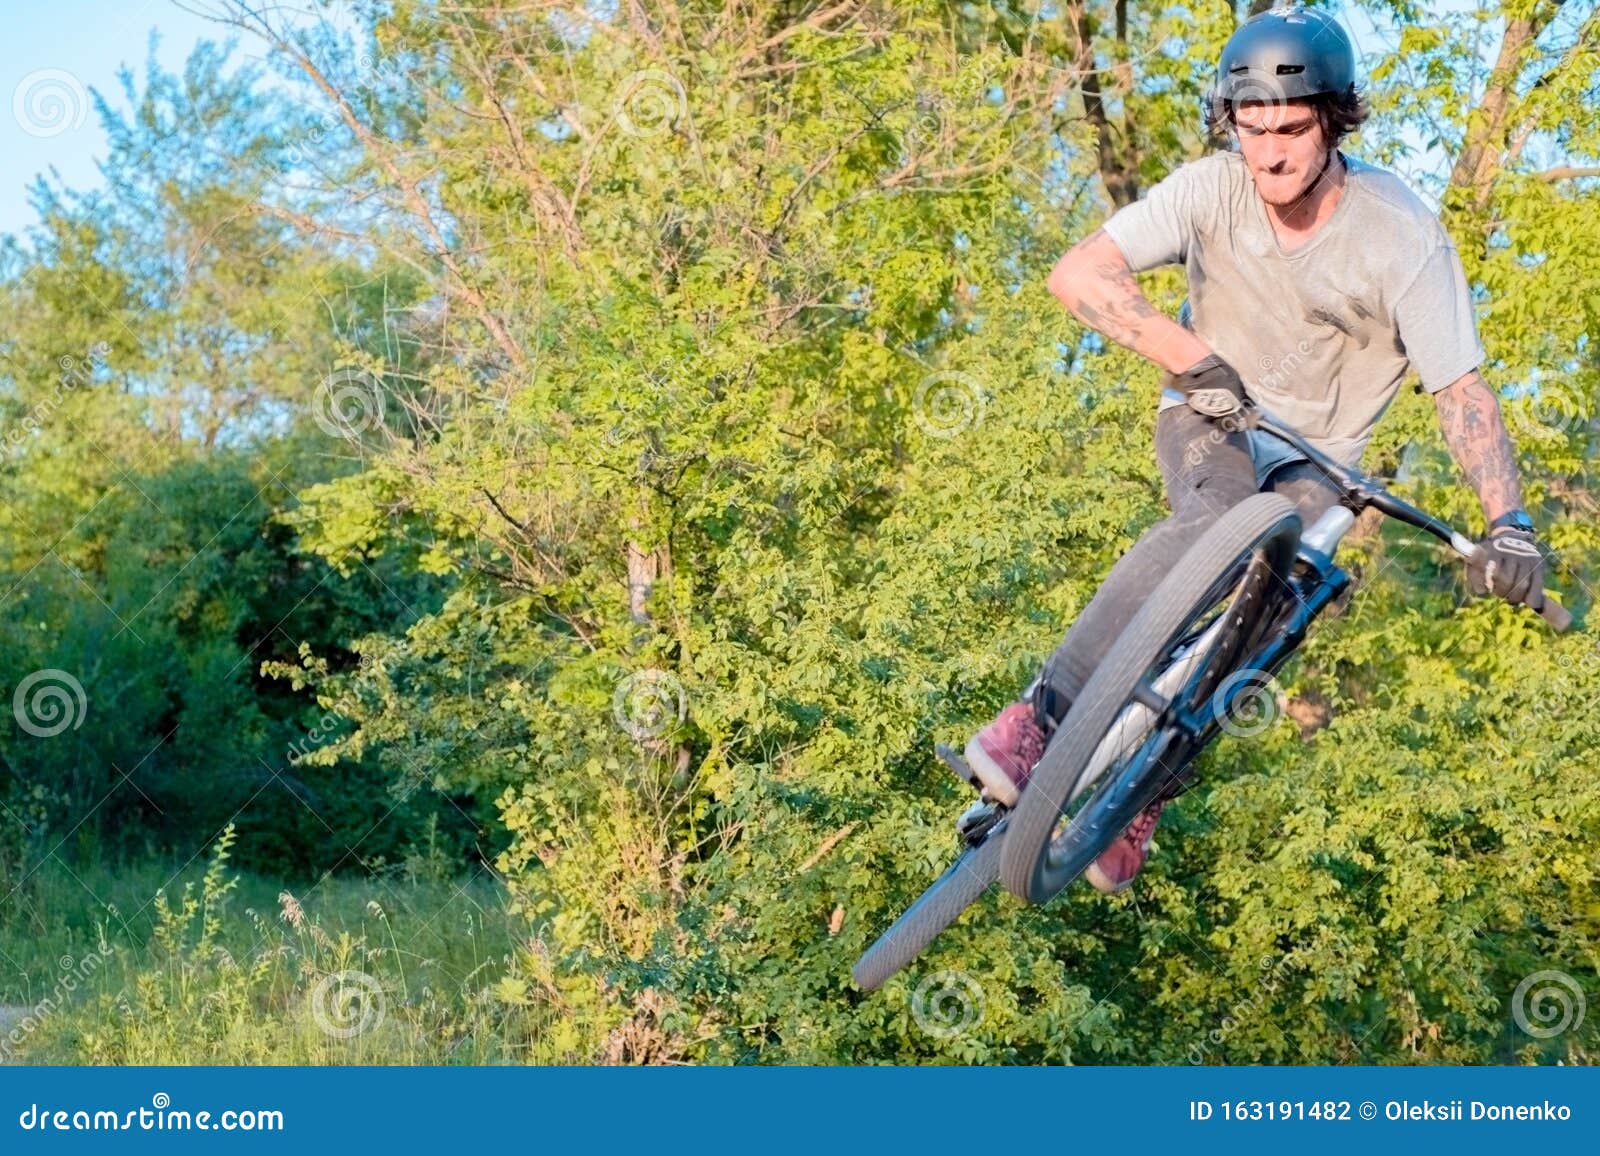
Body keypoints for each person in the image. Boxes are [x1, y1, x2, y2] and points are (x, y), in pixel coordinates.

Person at [962, 5, 1550, 894]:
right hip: (1215, 412)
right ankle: (1038, 722)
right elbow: (1077, 274)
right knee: (1220, 520)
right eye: (1252, 129)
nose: (1270, 154)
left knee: (1283, 605)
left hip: (1323, 462)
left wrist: (1509, 524)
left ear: (1336, 120)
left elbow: (1462, 393)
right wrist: (1194, 358)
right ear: (1231, 123)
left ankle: (1136, 791)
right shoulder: (1211, 190)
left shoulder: (1403, 237)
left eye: (1292, 130)